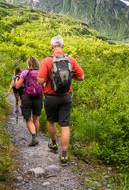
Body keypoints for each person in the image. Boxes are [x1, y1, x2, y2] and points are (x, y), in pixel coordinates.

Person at [37, 35, 84, 163]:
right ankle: (64, 154)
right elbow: (81, 77)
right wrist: (69, 77)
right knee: (65, 125)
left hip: (51, 97)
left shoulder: (47, 61)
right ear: (62, 46)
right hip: (66, 97)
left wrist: (48, 78)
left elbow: (40, 80)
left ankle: (53, 144)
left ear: (52, 46)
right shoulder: (71, 60)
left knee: (51, 121)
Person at [15, 56, 43, 147]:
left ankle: (34, 137)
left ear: (28, 63)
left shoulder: (25, 72)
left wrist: (17, 80)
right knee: (36, 119)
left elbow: (17, 86)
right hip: (38, 97)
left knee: (28, 119)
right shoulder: (40, 72)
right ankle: (35, 137)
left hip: (27, 98)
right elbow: (44, 85)